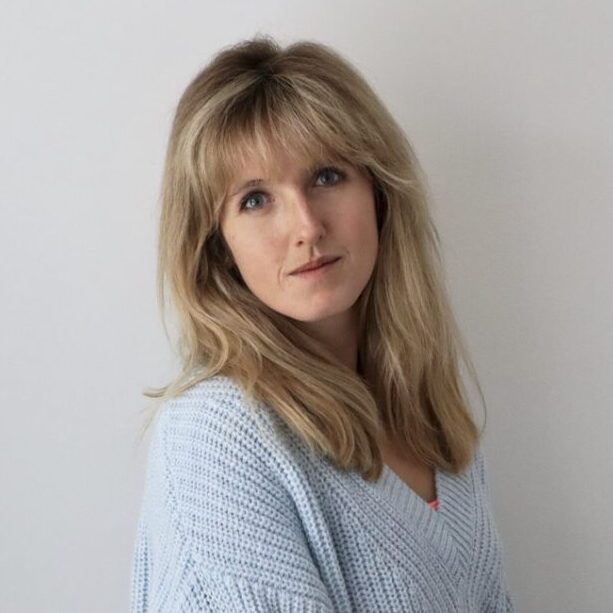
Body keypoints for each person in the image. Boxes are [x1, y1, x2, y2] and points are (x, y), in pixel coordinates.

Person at [129, 35, 515, 612]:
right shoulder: (217, 436)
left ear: (380, 195)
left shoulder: (433, 422)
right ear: (218, 246)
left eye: (327, 177)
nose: (306, 226)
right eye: (255, 200)